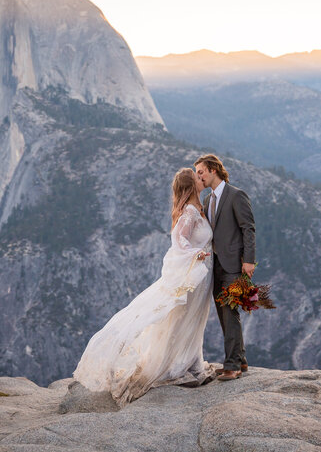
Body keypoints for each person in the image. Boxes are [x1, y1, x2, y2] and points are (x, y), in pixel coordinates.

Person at [73, 168, 216, 405]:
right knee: (185, 317)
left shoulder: (198, 208)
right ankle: (180, 365)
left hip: (203, 274)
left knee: (196, 317)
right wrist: (196, 253)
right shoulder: (190, 212)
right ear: (191, 186)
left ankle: (193, 361)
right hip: (195, 272)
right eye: (197, 178)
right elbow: (178, 240)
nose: (202, 180)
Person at [194, 154, 255, 381]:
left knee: (230, 311)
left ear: (213, 170)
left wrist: (249, 260)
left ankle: (232, 366)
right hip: (215, 265)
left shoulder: (236, 195)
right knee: (223, 312)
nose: (198, 176)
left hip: (233, 264)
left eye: (200, 171)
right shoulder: (209, 201)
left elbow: (248, 228)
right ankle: (241, 359)